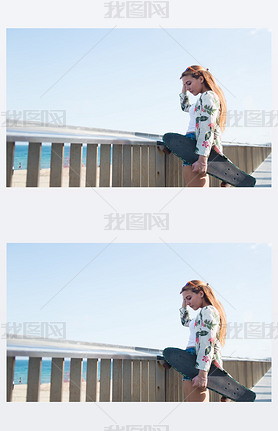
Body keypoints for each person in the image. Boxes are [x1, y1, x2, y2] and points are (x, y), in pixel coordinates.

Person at [179, 280, 230, 402]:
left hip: (197, 361)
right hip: (194, 359)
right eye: (185, 299)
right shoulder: (202, 314)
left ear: (201, 294)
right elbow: (185, 322)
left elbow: (207, 342)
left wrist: (202, 374)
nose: (188, 302)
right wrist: (184, 304)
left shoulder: (208, 311)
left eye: (189, 298)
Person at [179, 65, 229, 187]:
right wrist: (184, 85)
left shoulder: (208, 96)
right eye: (185, 85)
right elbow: (185, 107)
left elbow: (207, 128)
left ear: (201, 79)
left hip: (196, 145)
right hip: (194, 144)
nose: (187, 88)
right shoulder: (201, 99)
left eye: (189, 83)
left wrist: (202, 159)